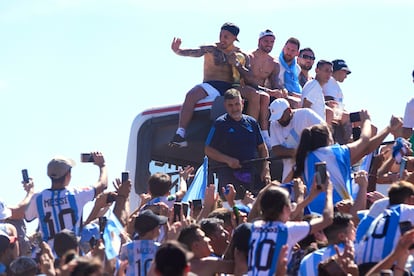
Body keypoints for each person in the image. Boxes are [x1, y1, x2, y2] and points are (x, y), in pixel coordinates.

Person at [169, 22, 260, 148]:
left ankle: (251, 131)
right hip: (210, 85)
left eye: (226, 36)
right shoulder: (210, 49)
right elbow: (194, 52)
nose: (222, 39)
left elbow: (251, 79)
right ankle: (180, 134)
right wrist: (178, 50)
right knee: (191, 94)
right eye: (221, 35)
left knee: (254, 94)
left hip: (230, 87)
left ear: (235, 38)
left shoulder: (241, 54)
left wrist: (237, 64)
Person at [293, 111, 403, 214]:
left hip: (315, 213)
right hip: (338, 210)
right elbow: (364, 141)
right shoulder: (333, 153)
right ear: (327, 139)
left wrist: (388, 128)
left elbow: (365, 150)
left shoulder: (305, 159)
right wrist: (366, 120)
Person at [231, 181, 333, 275]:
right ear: (285, 208)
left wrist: (310, 197)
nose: (291, 207)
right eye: (289, 205)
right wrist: (328, 192)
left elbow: (289, 214)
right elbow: (327, 219)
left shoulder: (254, 226)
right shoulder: (288, 230)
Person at [24, 152, 108, 246]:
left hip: (48, 256)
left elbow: (28, 217)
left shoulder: (38, 198)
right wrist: (102, 165)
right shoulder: (76, 194)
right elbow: (103, 185)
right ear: (68, 175)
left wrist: (30, 192)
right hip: (71, 255)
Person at [205, 88, 271, 200]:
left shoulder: (252, 122)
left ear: (242, 103)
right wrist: (228, 160)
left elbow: (262, 148)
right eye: (230, 105)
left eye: (237, 104)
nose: (234, 108)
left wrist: (266, 169)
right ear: (225, 106)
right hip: (228, 177)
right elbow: (208, 150)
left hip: (251, 176)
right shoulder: (219, 123)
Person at [355, 181, 414, 274]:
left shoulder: (380, 216)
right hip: (387, 266)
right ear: (411, 199)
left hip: (362, 267)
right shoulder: (407, 210)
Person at [244, 29, 287, 148]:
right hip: (247, 89)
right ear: (259, 41)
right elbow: (247, 80)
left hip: (263, 92)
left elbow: (275, 83)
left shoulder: (274, 63)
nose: (269, 44)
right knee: (263, 96)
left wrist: (281, 91)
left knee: (279, 99)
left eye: (272, 42)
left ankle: (272, 135)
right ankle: (254, 132)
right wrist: (269, 91)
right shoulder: (249, 57)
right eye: (266, 41)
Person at [269, 98, 324, 182]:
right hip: (290, 171)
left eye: (281, 116)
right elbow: (276, 148)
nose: (279, 120)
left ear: (289, 110)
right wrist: (298, 152)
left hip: (314, 164)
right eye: (277, 118)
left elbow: (324, 130)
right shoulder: (274, 124)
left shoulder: (305, 114)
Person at [119, 209, 167, 276]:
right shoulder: (159, 248)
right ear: (153, 231)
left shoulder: (127, 247)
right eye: (158, 227)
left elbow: (120, 266)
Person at [323, 59, 353, 144]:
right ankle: (349, 142)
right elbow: (330, 101)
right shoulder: (330, 82)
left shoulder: (334, 84)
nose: (346, 76)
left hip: (337, 113)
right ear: (338, 70)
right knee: (347, 116)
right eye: (344, 72)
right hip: (331, 113)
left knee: (360, 119)